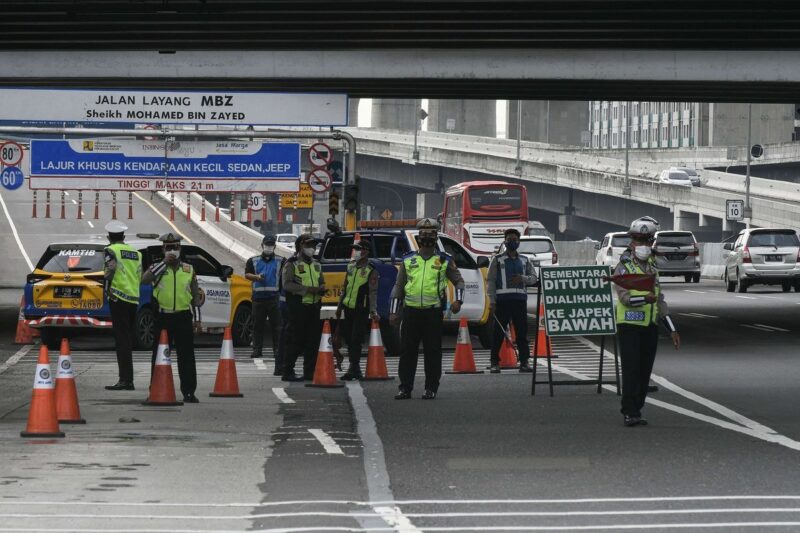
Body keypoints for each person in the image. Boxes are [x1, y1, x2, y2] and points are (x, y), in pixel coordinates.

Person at [613, 216, 680, 427]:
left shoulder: (652, 266)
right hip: (630, 326)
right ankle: (629, 411)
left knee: (644, 371)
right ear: (632, 242)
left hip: (649, 327)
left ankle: (637, 409)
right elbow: (624, 297)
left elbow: (659, 300)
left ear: (652, 243)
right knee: (631, 369)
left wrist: (671, 329)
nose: (642, 245)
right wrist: (644, 298)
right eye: (638, 240)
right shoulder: (623, 267)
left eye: (646, 241)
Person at [389, 218, 465, 400]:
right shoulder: (408, 260)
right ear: (418, 237)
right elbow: (398, 286)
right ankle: (405, 388)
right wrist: (393, 311)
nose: (427, 237)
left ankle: (431, 388)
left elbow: (459, 281)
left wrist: (458, 301)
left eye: (431, 233)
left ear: (436, 236)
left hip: (433, 312)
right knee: (407, 352)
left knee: (432, 352)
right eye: (423, 234)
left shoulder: (444, 260)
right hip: (411, 312)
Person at [141, 233, 205, 403]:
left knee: (187, 357)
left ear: (180, 248)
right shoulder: (157, 267)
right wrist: (164, 263)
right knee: (159, 356)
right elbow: (145, 280)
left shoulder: (188, 269)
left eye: (175, 247)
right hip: (163, 318)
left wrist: (197, 321)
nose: (172, 251)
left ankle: (189, 392)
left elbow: (195, 296)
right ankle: (154, 389)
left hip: (183, 317)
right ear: (163, 249)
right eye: (168, 247)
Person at [487, 228, 538, 374]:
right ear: (505, 241)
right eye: (509, 239)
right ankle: (494, 363)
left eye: (515, 240)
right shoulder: (497, 260)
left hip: (519, 302)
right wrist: (492, 301)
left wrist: (522, 278)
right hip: (502, 302)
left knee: (522, 333)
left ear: (519, 242)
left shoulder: (525, 260)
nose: (512, 242)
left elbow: (534, 278)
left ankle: (524, 362)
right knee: (498, 333)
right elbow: (490, 281)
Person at [103, 221, 142, 391]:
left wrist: (106, 285)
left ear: (109, 237)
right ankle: (127, 379)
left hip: (117, 297)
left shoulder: (111, 250)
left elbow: (110, 270)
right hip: (133, 299)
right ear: (124, 237)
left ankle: (125, 380)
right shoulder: (136, 253)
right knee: (127, 339)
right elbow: (139, 274)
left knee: (122, 340)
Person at [281, 234, 326, 382]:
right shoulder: (291, 263)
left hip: (314, 307)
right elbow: (287, 285)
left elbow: (321, 281)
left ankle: (309, 372)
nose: (311, 249)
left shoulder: (317, 264)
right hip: (298, 307)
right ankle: (288, 371)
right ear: (300, 246)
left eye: (313, 246)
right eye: (308, 245)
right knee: (295, 340)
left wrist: (321, 289)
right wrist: (308, 289)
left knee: (312, 341)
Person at [335, 240, 380, 381]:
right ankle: (353, 369)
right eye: (355, 249)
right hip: (348, 308)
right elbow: (345, 287)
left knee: (356, 339)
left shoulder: (371, 270)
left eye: (358, 249)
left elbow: (373, 292)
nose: (356, 251)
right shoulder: (351, 266)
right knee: (348, 338)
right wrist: (339, 306)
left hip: (361, 309)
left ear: (366, 251)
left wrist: (373, 311)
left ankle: (355, 368)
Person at [245, 235, 284, 367]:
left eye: (271, 245)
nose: (269, 247)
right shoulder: (253, 260)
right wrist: (256, 277)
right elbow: (247, 274)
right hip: (258, 299)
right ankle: (257, 350)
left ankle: (277, 350)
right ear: (262, 246)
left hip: (274, 298)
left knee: (277, 326)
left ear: (274, 246)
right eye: (267, 245)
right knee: (257, 326)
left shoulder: (281, 261)